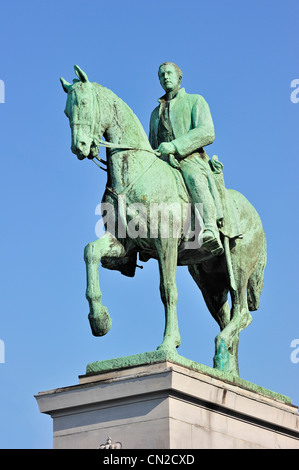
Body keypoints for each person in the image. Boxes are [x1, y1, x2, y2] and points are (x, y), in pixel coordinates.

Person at [149, 62, 224, 256]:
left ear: (179, 77)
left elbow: (207, 132)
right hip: (163, 164)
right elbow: (151, 145)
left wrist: (175, 146)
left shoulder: (195, 100)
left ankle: (210, 228)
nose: (165, 77)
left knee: (194, 178)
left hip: (190, 159)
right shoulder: (154, 114)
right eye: (161, 75)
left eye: (168, 73)